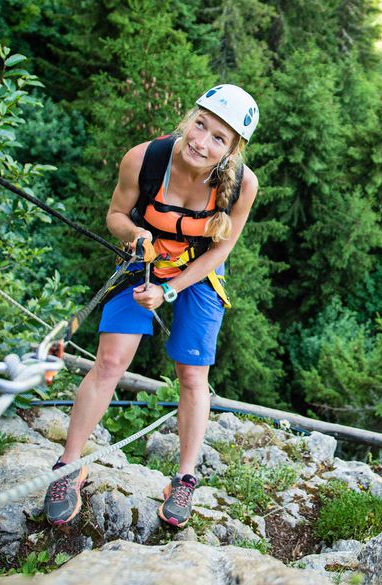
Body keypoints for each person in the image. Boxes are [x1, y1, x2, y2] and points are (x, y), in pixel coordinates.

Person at [44, 84, 259, 528]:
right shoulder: (145, 159)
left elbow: (220, 251)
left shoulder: (242, 186)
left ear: (233, 148)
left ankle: (184, 478)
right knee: (108, 364)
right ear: (189, 118)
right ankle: (68, 465)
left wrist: (171, 289)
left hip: (197, 274)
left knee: (192, 375)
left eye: (219, 137)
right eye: (200, 125)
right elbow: (116, 215)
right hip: (142, 261)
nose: (202, 141)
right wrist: (136, 236)